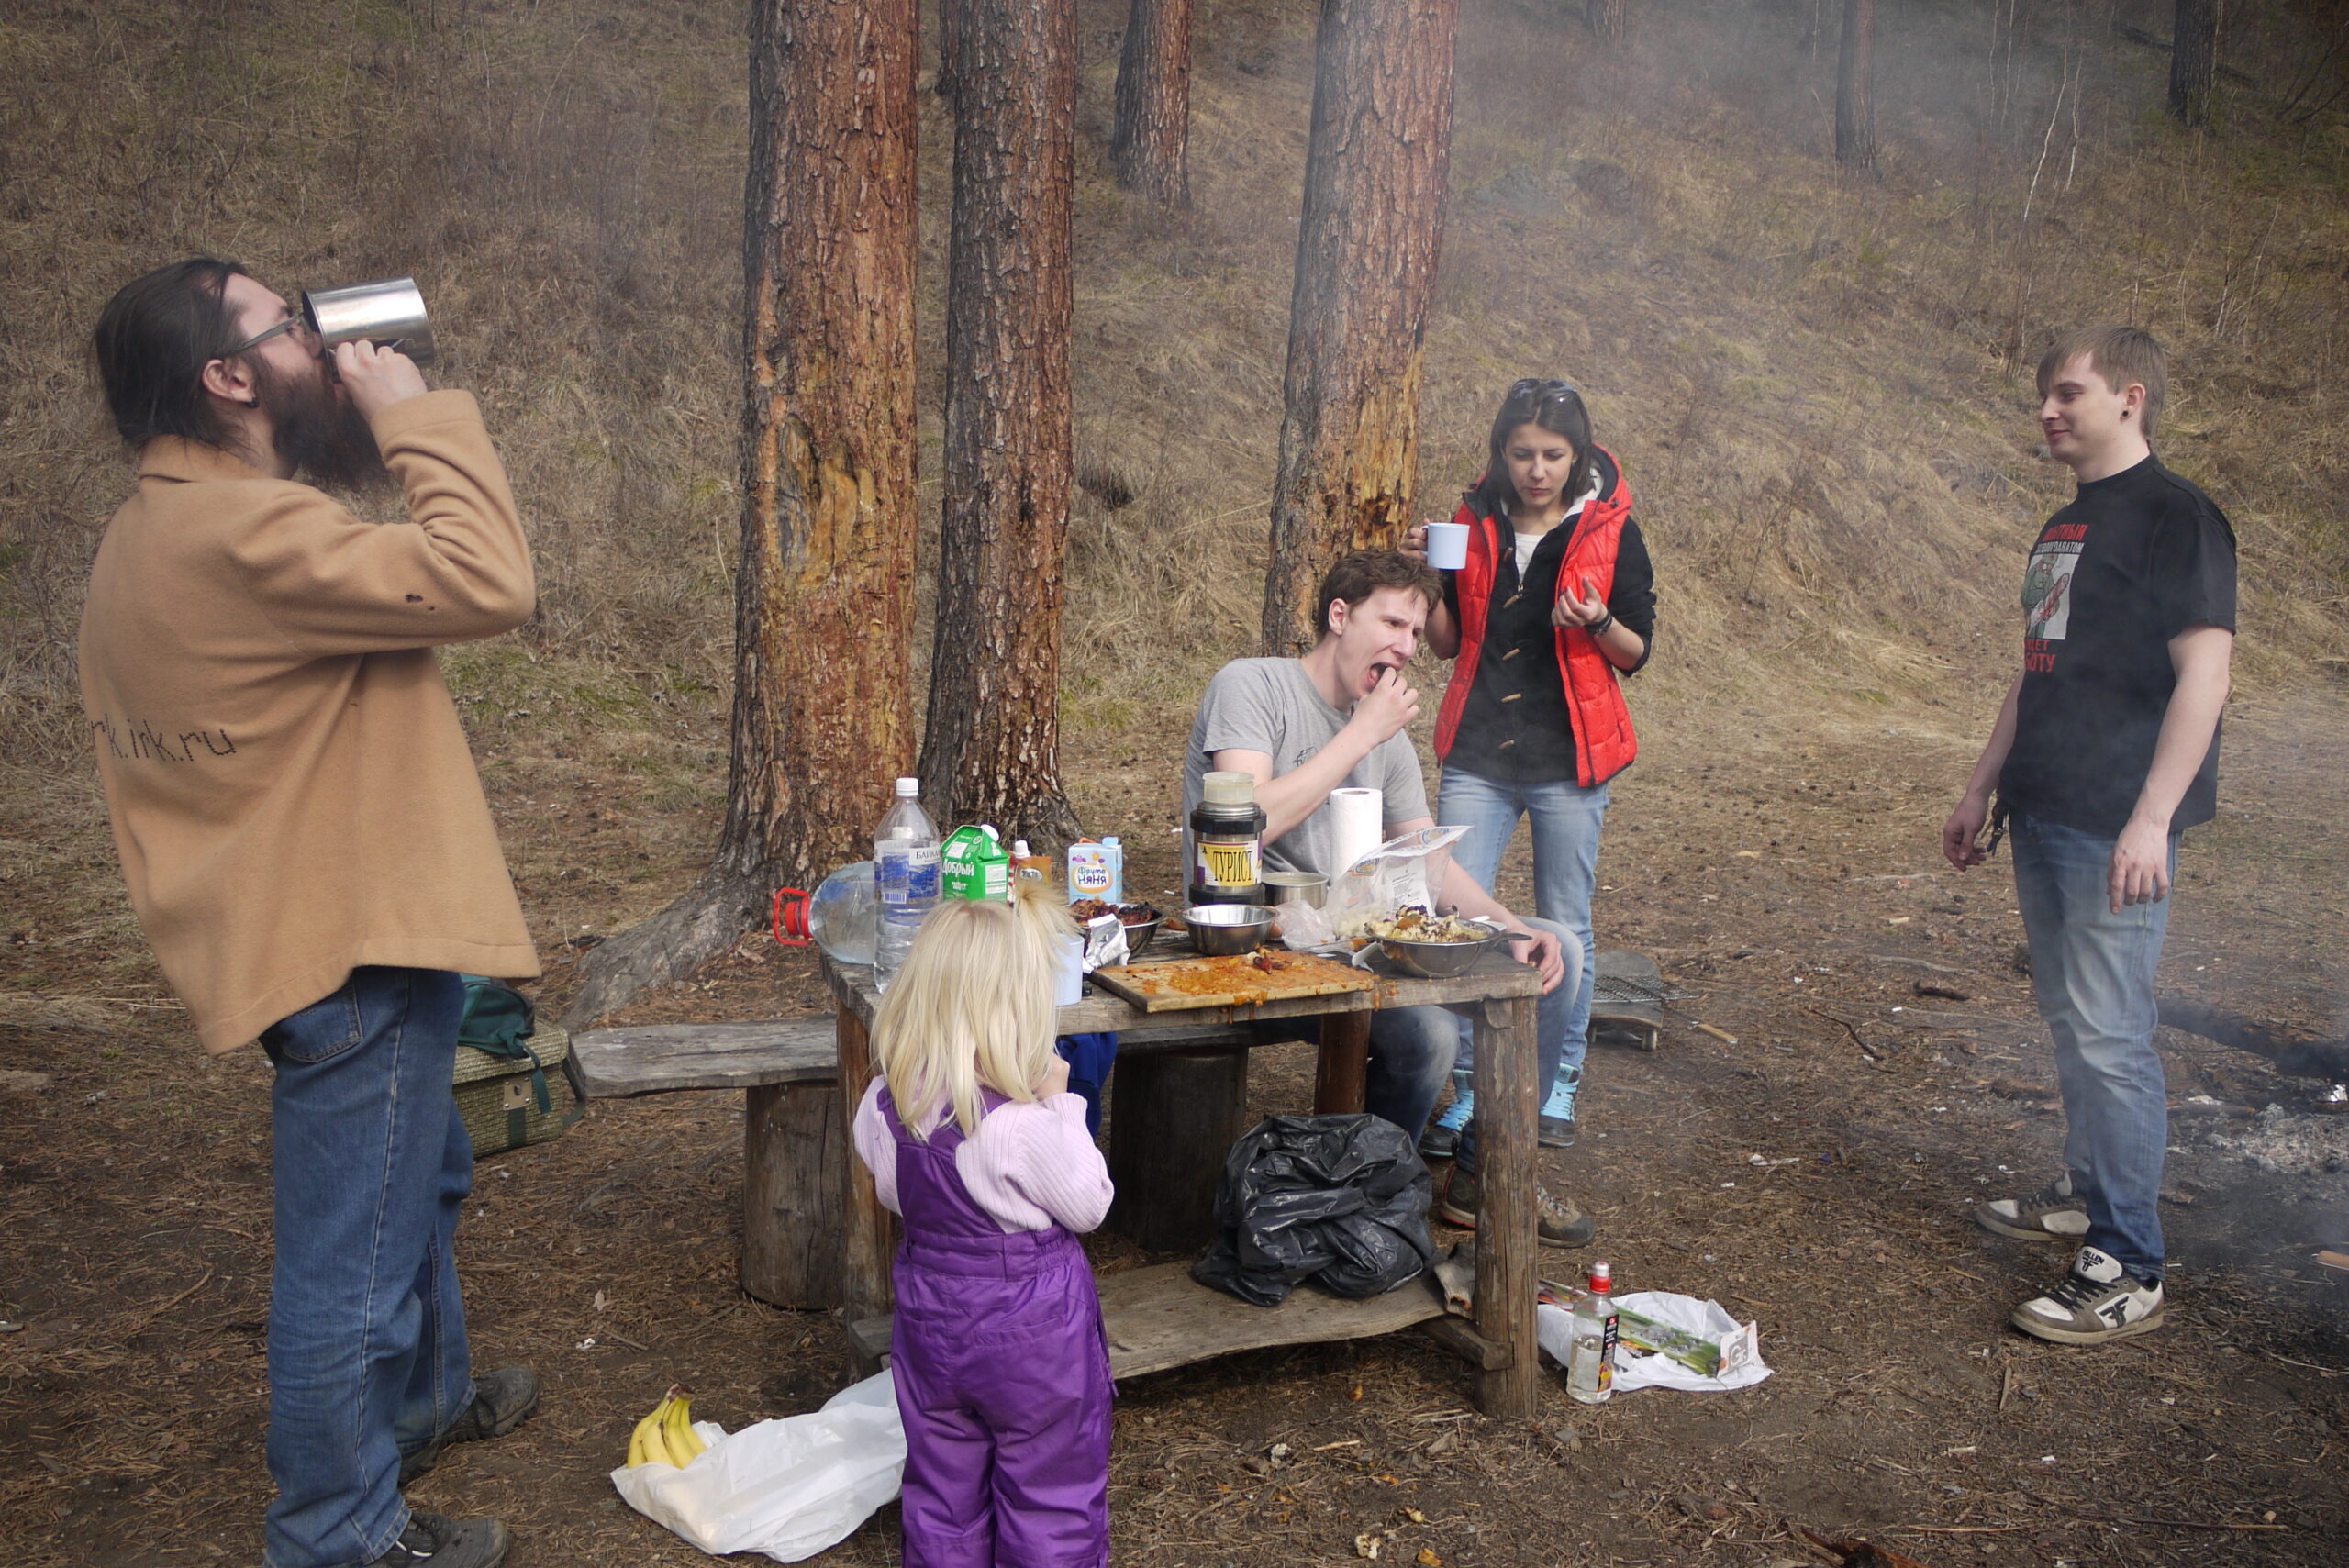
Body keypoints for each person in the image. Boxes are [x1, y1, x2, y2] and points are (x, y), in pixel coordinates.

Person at [82, 260, 542, 1568]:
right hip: (346, 952)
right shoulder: (249, 533)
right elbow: (488, 578)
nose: (318, 343)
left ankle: (424, 1400)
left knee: (422, 1176)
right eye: (285, 327)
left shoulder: (155, 528)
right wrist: (413, 415)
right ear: (228, 377)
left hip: (321, 923)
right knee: (352, 1261)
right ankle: (338, 1530)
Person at [1943, 326, 2235, 1346]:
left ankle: (2129, 1261)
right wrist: (1981, 784)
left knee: (2112, 1036)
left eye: (2067, 392)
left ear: (2130, 397)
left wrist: (2151, 818)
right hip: (2043, 804)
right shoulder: (2064, 525)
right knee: (2073, 1020)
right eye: (2043, 395)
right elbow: (2036, 666)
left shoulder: (2177, 517)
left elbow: (2205, 674)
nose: (2047, 410)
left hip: (2117, 820)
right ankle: (2083, 1190)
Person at [1181, 550, 1594, 1244]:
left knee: (1563, 953)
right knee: (1430, 1034)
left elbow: (1428, 862)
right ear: (1340, 615)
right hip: (1257, 944)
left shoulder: (1383, 731)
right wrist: (1360, 733)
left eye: (1416, 631)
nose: (1406, 646)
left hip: (1358, 939)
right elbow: (1245, 823)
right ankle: (1365, 1202)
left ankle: (1480, 1172)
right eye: (1393, 623)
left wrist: (1508, 927)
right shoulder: (1253, 686)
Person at [1407, 377, 1656, 1154]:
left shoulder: (1609, 528)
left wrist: (1597, 620)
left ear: (1578, 455)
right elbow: (1447, 643)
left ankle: (1557, 1080)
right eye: (1522, 454)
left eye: (1552, 454)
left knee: (1566, 922)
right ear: (1501, 452)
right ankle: (1470, 1087)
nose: (1536, 470)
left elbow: (1636, 651)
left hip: (1569, 757)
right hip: (1478, 751)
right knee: (1458, 919)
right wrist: (1428, 585)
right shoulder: (1472, 520)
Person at [852, 888, 1116, 1568]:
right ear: (1016, 1008)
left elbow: (895, 1193)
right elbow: (1090, 1203)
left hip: (931, 1320)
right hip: (1034, 1333)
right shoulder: (1019, 1127)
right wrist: (1062, 1101)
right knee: (1050, 1489)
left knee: (942, 1485)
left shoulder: (881, 1104)